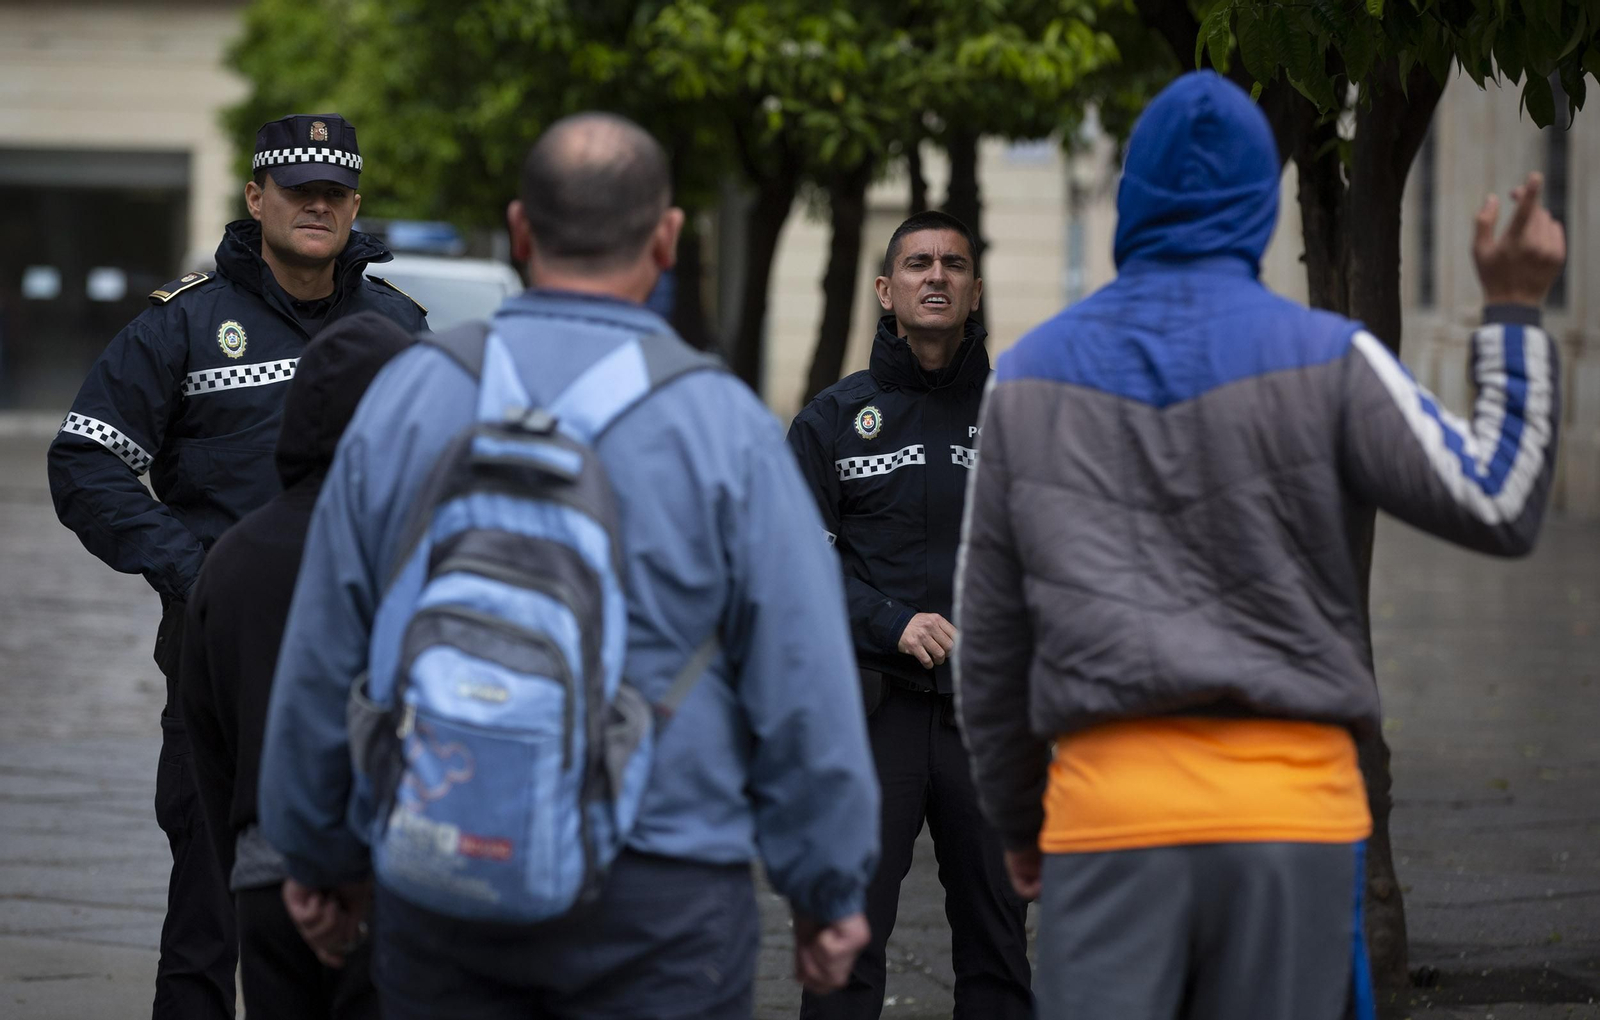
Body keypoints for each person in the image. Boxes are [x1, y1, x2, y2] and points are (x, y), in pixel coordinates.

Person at [956, 71, 1566, 1020]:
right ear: (1261, 203)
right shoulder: (1330, 356)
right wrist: (1517, 309)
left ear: (1130, 199)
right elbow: (1501, 499)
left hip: (1110, 819)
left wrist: (1022, 821)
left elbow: (990, 644)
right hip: (1295, 822)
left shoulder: (1026, 381)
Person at [255, 111, 880, 1020]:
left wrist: (317, 856)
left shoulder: (412, 394)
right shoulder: (725, 427)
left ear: (519, 230)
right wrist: (828, 886)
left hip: (442, 865)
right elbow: (804, 680)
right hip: (663, 897)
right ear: (666, 239)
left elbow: (324, 645)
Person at [45, 112, 427, 1019]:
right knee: (211, 898)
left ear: (355, 206)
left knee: (390, 891)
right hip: (230, 651)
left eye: (333, 194)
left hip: (380, 657)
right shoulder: (184, 324)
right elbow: (84, 459)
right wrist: (194, 571)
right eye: (298, 191)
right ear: (257, 197)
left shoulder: (400, 326)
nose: (316, 207)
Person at [787, 210, 1031, 1020]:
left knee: (999, 952)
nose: (937, 276)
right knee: (845, 948)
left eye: (954, 265)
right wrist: (889, 620)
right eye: (919, 264)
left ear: (974, 289)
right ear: (887, 292)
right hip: (871, 713)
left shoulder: (1018, 422)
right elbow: (795, 563)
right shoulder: (830, 421)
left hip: (986, 720)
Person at [178, 312, 414, 1020]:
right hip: (390, 874)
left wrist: (245, 865)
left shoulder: (232, 557)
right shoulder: (413, 543)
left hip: (265, 875)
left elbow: (207, 738)